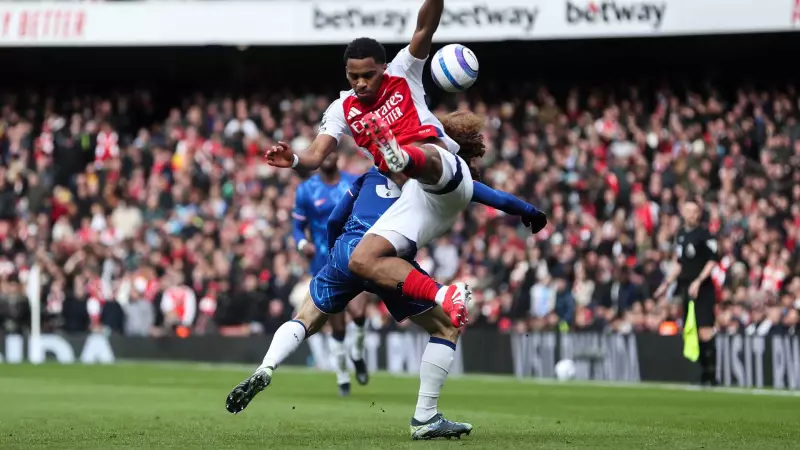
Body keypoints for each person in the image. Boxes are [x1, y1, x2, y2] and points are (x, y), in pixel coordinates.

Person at [227, 111, 548, 441]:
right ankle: (425, 417)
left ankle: (267, 366)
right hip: (393, 262)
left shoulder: (371, 175)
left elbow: (337, 219)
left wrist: (335, 257)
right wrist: (531, 213)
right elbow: (497, 198)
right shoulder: (437, 177)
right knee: (447, 326)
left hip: (348, 249)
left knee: (307, 315)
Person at [266, 0, 476, 328]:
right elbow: (316, 155)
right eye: (353, 77)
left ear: (383, 68)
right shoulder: (342, 108)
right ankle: (433, 298)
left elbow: (425, 27)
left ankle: (404, 155)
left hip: (434, 164)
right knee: (365, 259)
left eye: (368, 75)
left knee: (428, 155)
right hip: (406, 193)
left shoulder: (404, 70)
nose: (361, 83)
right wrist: (293, 159)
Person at [292, 151, 369, 396]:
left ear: (338, 155)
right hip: (323, 264)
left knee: (359, 314)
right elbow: (296, 227)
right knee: (337, 327)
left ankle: (357, 353)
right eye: (323, 152)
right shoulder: (306, 190)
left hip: (353, 258)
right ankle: (342, 377)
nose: (328, 156)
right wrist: (303, 245)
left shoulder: (353, 182)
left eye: (333, 150)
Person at [654, 200, 720, 386]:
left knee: (705, 329)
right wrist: (666, 284)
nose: (691, 214)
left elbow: (713, 260)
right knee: (690, 331)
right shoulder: (681, 235)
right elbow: (679, 263)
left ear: (698, 214)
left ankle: (711, 375)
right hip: (686, 288)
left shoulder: (705, 234)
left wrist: (699, 281)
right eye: (687, 210)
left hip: (703, 289)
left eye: (694, 211)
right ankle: (701, 372)